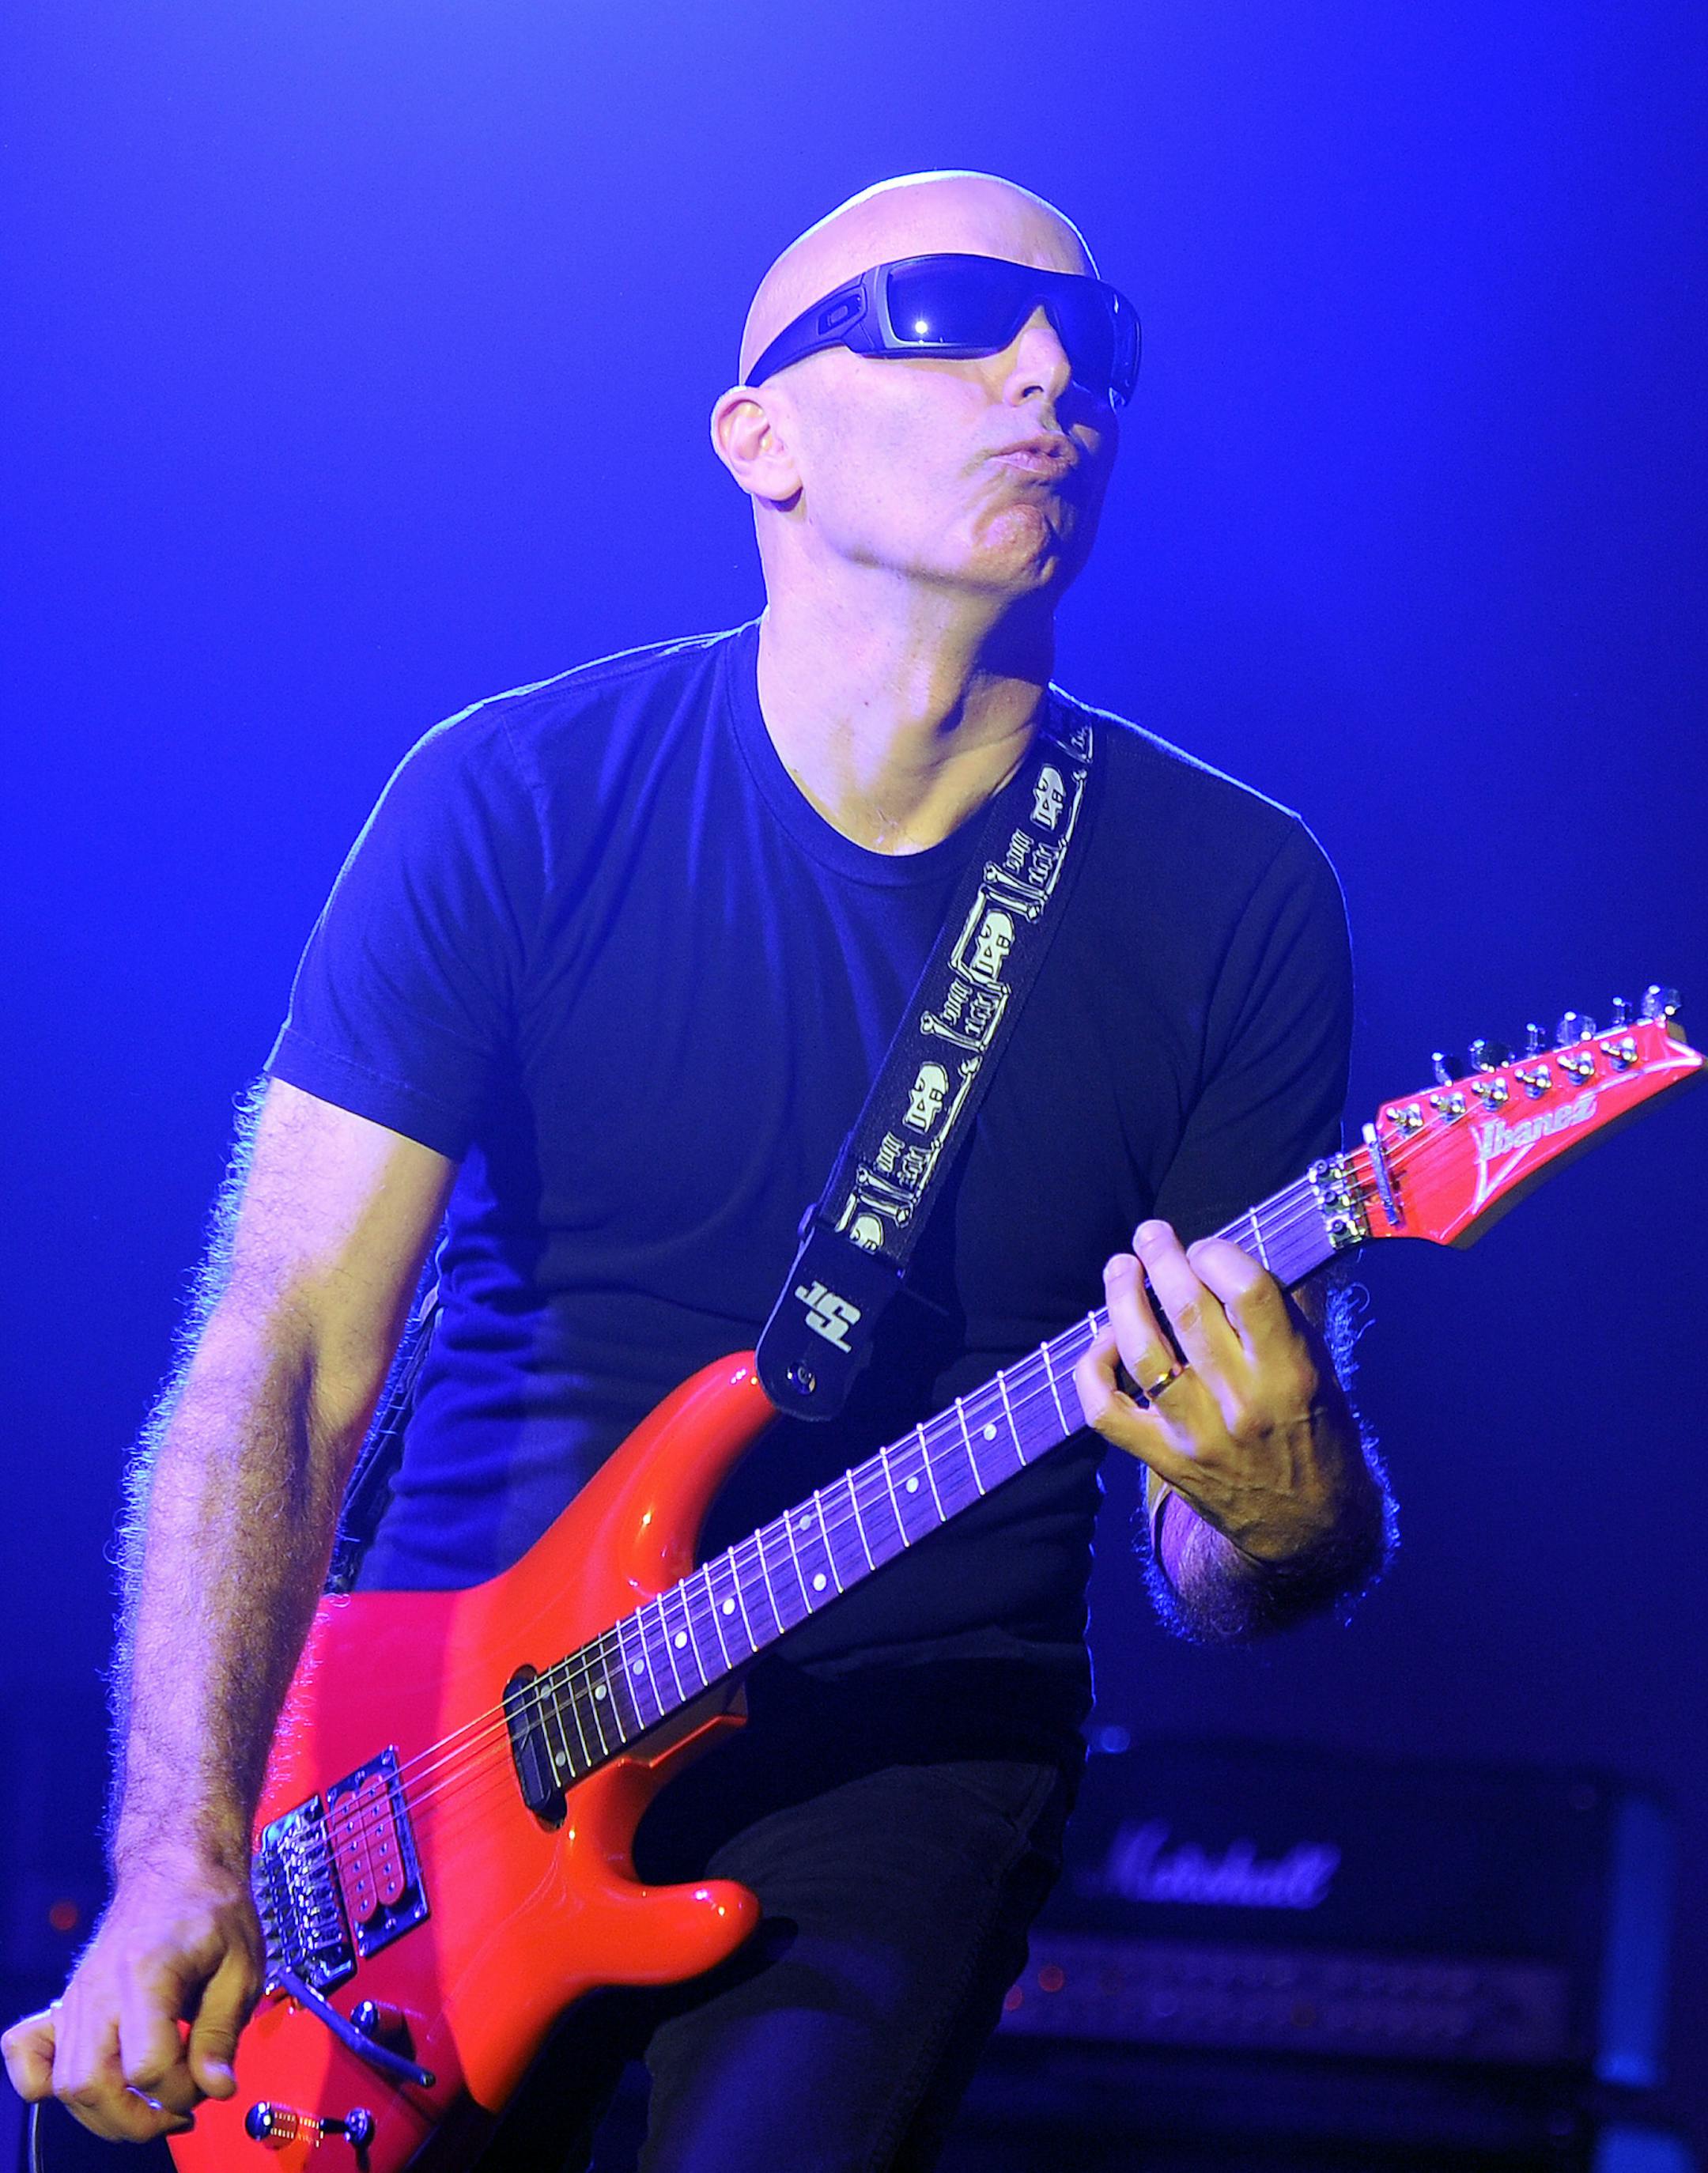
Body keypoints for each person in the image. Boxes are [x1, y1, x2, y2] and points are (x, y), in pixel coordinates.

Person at [3, 170, 1391, 2168]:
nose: (1048, 373)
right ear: (762, 436)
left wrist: (1289, 1509)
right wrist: (182, 1848)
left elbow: (1223, 1547)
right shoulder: (513, 797)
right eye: (951, 315)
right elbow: (285, 1351)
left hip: (893, 1748)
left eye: (1096, 347)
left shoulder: (1237, 895)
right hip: (430, 1745)